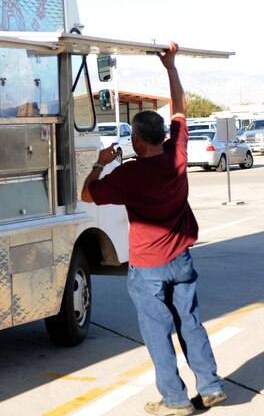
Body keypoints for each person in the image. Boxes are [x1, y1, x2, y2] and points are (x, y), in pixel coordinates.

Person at [81, 42, 226, 416]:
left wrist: (101, 164)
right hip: (181, 258)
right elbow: (180, 107)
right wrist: (171, 66)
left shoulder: (128, 174)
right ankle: (210, 386)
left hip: (148, 266)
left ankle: (176, 400)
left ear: (137, 140)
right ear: (162, 135)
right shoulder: (177, 153)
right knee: (190, 322)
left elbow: (87, 195)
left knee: (157, 332)